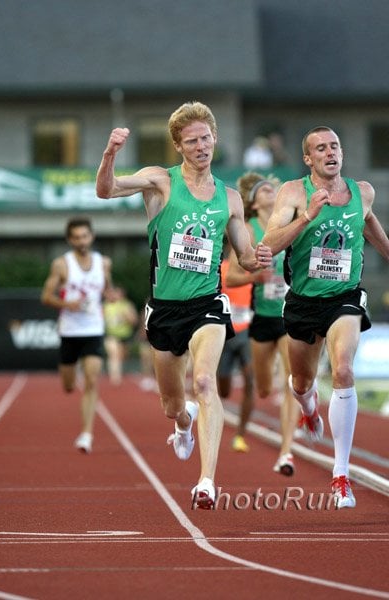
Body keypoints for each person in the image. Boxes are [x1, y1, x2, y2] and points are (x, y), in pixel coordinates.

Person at [96, 101, 272, 509]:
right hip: (164, 309)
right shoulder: (161, 182)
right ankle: (183, 423)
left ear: (215, 140)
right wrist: (110, 153)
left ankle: (207, 482)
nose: (200, 146)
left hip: (207, 304)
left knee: (206, 382)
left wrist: (257, 258)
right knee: (172, 404)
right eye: (192, 140)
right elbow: (105, 190)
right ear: (178, 145)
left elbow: (244, 256)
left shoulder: (229, 199)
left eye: (206, 138)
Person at [262, 126, 389, 507]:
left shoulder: (362, 192)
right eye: (321, 148)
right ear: (308, 159)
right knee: (300, 382)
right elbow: (267, 245)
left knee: (343, 371)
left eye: (335, 145)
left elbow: (377, 237)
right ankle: (308, 407)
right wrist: (306, 218)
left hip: (344, 297)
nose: (330, 152)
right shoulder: (293, 193)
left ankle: (340, 476)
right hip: (301, 300)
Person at [227, 173, 300, 475]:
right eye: (266, 189)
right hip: (262, 317)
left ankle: (286, 452)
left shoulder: (294, 223)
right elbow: (231, 276)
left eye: (275, 187)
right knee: (264, 388)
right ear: (254, 202)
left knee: (292, 383)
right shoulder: (248, 229)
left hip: (290, 314)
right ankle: (267, 385)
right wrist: (254, 277)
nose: (273, 191)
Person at [41, 216, 113, 454]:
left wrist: (111, 296)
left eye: (85, 236)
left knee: (92, 380)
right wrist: (67, 303)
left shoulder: (104, 263)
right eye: (76, 237)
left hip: (93, 329)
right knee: (69, 385)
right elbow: (46, 296)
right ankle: (71, 385)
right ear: (70, 239)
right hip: (70, 331)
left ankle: (86, 434)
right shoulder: (61, 264)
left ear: (91, 236)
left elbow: (107, 289)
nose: (81, 241)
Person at [217, 242, 254, 453]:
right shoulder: (220, 269)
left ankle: (240, 434)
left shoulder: (254, 269)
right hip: (225, 333)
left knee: (250, 379)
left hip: (248, 331)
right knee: (223, 390)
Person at [103, 286, 139, 385]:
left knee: (122, 356)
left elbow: (134, 321)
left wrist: (126, 317)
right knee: (113, 354)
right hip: (111, 334)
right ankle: (115, 376)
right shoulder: (106, 305)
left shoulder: (127, 306)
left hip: (125, 335)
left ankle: (118, 373)